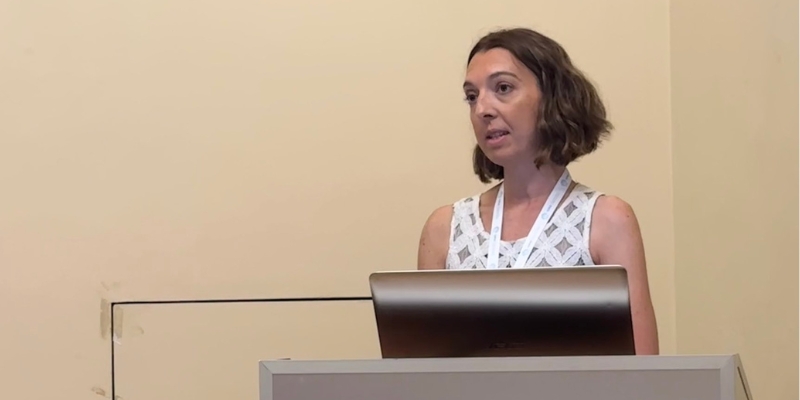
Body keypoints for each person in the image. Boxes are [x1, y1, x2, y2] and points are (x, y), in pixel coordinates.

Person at [416, 27, 659, 355]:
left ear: (552, 98)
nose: (482, 109)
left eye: (503, 88)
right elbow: (421, 371)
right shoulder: (444, 228)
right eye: (472, 96)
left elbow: (644, 372)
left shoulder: (607, 220)